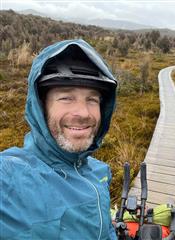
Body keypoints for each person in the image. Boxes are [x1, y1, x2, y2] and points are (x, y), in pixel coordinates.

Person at [0, 39, 118, 239]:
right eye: (66, 98)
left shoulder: (100, 172)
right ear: (40, 106)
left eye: (92, 99)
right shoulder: (10, 176)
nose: (83, 113)